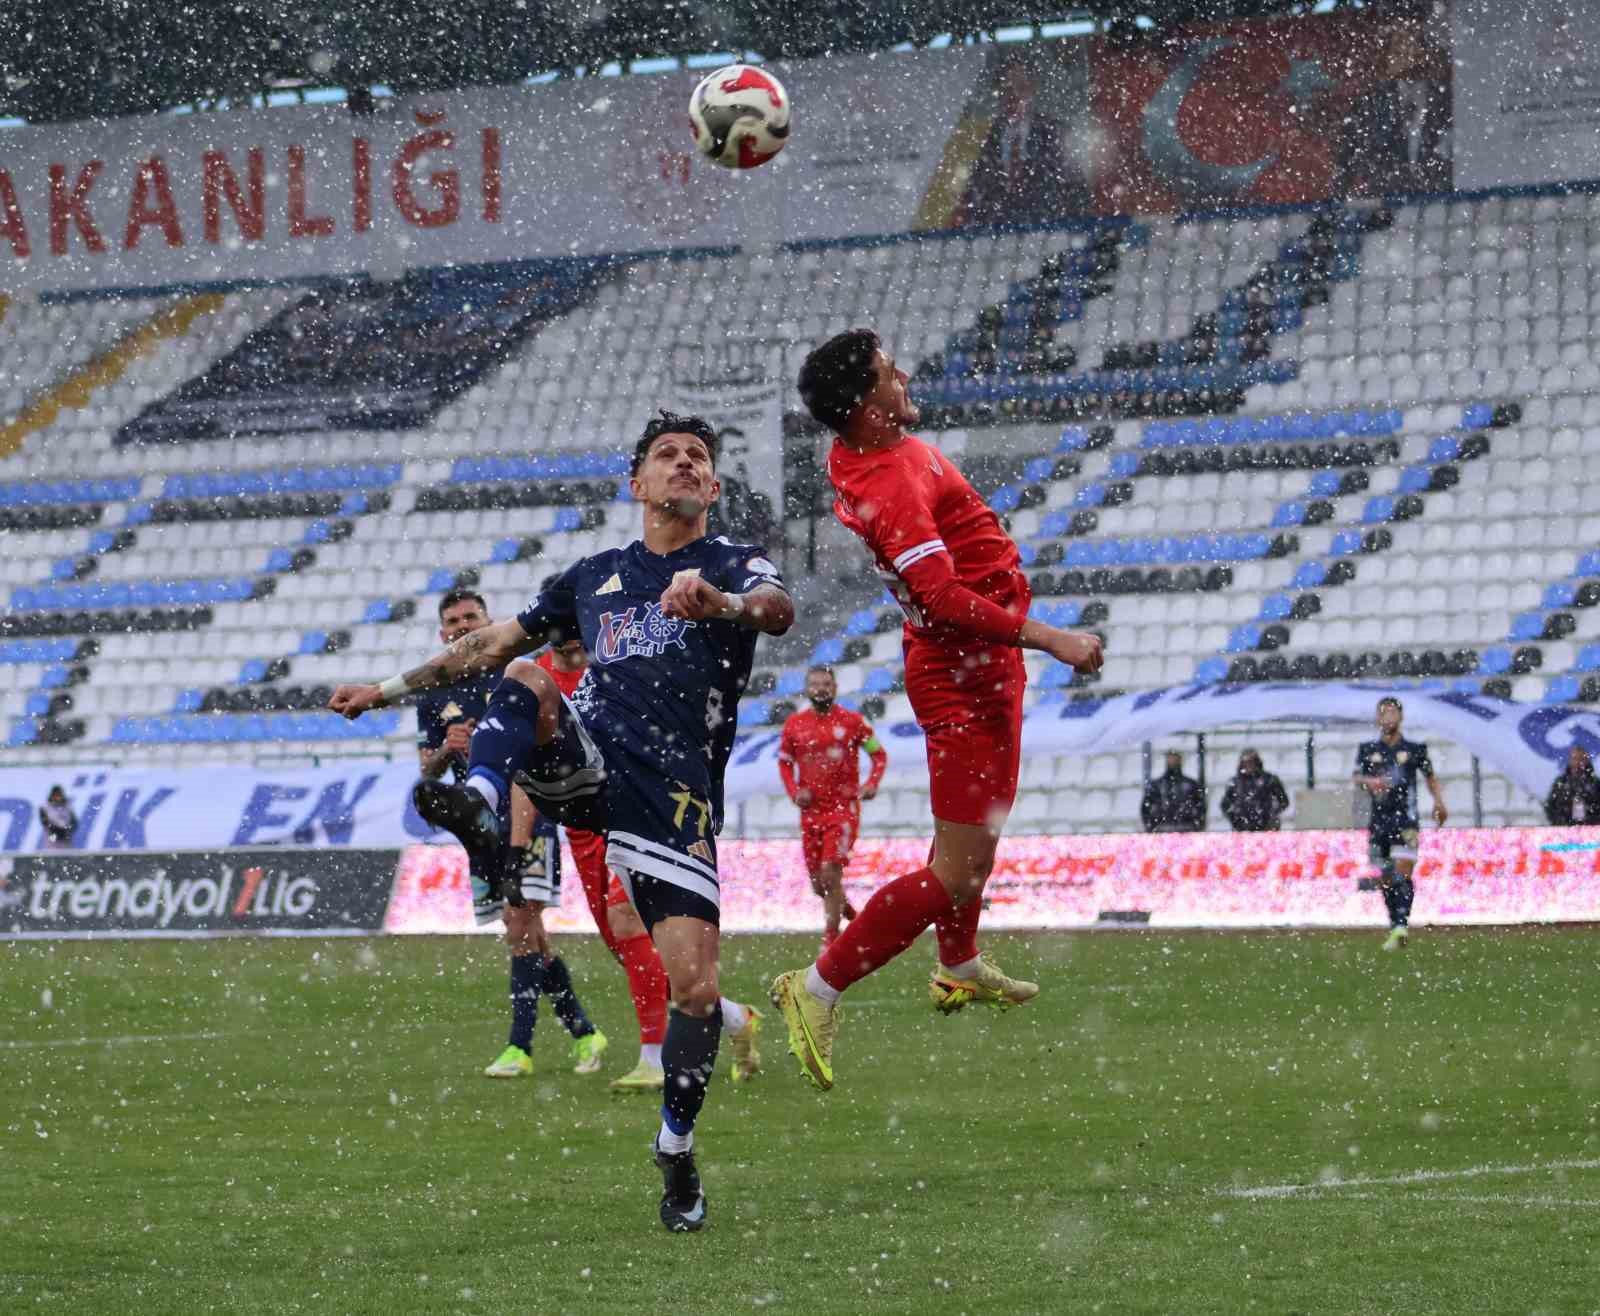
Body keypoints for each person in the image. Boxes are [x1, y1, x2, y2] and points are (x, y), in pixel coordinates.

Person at [331, 410, 791, 1233]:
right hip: (592, 757)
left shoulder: (730, 561)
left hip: (674, 794)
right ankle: (478, 795)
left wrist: (723, 603)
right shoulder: (594, 577)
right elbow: (481, 649)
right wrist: (386, 690)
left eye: (697, 459)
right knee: (525, 672)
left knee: (698, 988)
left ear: (714, 487)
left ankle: (676, 1151)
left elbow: (777, 608)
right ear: (638, 484)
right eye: (667, 456)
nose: (683, 465)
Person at [771, 327, 1103, 1093]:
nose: (905, 377)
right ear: (864, 404)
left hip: (983, 666)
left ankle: (957, 964)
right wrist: (1050, 637)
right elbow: (942, 597)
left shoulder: (862, 458)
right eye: (890, 374)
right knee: (955, 870)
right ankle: (815, 987)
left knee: (975, 847)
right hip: (961, 672)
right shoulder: (888, 483)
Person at [414, 589, 607, 1082]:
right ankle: (585, 1030)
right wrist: (444, 753)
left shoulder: (515, 672)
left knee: (521, 929)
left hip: (530, 813)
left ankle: (519, 1046)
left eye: (470, 617)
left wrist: (519, 844)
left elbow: (532, 752)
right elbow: (427, 769)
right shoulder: (436, 692)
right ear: (442, 633)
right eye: (453, 621)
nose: (461, 626)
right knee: (526, 934)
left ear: (488, 620)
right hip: (481, 829)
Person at [777, 665, 888, 946]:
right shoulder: (794, 724)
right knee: (819, 885)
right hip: (810, 812)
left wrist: (872, 783)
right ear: (807, 689)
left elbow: (879, 755)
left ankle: (831, 940)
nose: (820, 689)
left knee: (830, 873)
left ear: (835, 688)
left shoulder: (853, 722)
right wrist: (794, 791)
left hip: (842, 810)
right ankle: (855, 917)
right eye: (815, 684)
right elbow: (784, 762)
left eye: (826, 684)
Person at [1354, 696, 1447, 952]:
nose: (1388, 717)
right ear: (1377, 718)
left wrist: (1439, 802)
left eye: (1392, 712)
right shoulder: (1367, 750)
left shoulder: (1415, 749)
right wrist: (1369, 782)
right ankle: (1395, 924)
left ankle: (1401, 925)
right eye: (1384, 713)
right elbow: (1357, 778)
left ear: (1401, 717)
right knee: (1385, 876)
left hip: (1407, 820)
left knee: (1404, 871)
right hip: (1379, 822)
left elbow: (1430, 777)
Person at [958, 55, 1091, 227]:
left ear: (1031, 89)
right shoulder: (984, 139)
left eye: (1019, 88)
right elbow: (974, 194)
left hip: (1049, 231)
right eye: (1006, 90)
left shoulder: (1054, 132)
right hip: (997, 236)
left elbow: (1076, 190)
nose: (1013, 97)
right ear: (998, 94)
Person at [1219, 750, 1290, 832]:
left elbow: (1283, 801)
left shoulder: (1269, 780)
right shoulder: (1235, 783)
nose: (1248, 766)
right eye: (1245, 763)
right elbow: (1225, 804)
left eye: (1251, 762)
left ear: (1257, 763)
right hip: (1242, 828)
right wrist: (1235, 818)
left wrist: (1272, 815)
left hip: (1266, 827)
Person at [1141, 751, 1206, 832]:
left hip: (1186, 828)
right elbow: (1146, 808)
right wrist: (1151, 825)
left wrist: (1196, 824)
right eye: (1170, 758)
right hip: (1163, 828)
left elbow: (1200, 807)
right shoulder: (1157, 785)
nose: (1172, 761)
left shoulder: (1191, 784)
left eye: (1175, 758)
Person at [1544, 746, 1600, 826]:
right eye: (1575, 758)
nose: (1578, 762)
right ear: (1570, 760)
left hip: (1590, 831)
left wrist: (1593, 821)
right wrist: (1560, 822)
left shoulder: (1595, 784)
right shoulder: (1561, 782)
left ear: (1587, 761)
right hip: (1564, 830)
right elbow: (1550, 807)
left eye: (1581, 759)